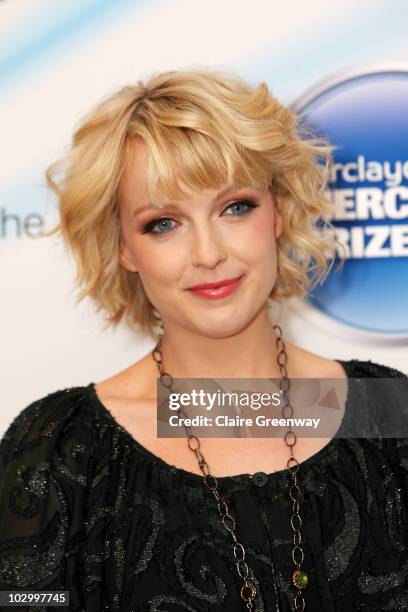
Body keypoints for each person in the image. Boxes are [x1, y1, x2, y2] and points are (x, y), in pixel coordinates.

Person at [0, 68, 407, 612]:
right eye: (163, 223)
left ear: (278, 212)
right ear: (123, 247)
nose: (208, 253)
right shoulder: (58, 452)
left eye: (235, 207)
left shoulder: (385, 415)